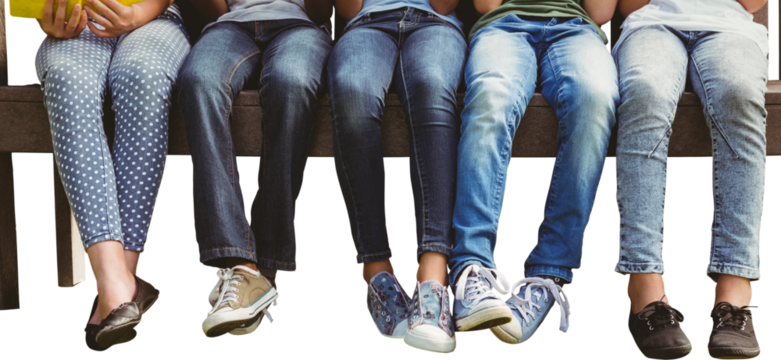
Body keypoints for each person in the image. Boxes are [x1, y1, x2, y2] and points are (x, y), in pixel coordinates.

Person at [448, 0, 620, 347]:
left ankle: (549, 272)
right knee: (491, 96)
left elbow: (601, 13)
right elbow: (485, 4)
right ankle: (472, 268)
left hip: (577, 28)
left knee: (595, 98)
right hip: (502, 24)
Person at [612, 0, 768, 358]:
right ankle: (644, 287)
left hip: (731, 27)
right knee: (645, 93)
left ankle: (735, 292)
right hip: (650, 25)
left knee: (739, 94)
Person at [33, 0, 190, 352]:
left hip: (157, 16)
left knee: (142, 74)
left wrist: (141, 12)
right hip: (74, 21)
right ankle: (117, 284)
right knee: (67, 77)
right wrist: (46, 12)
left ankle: (116, 292)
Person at [176, 0, 334, 340]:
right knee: (199, 81)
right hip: (232, 24)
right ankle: (240, 263)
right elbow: (213, 9)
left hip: (301, 24)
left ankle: (262, 267)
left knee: (292, 83)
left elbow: (323, 10)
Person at [328, 0, 467, 354]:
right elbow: (346, 8)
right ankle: (378, 273)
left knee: (433, 87)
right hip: (365, 22)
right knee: (352, 91)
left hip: (435, 20)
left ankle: (433, 279)